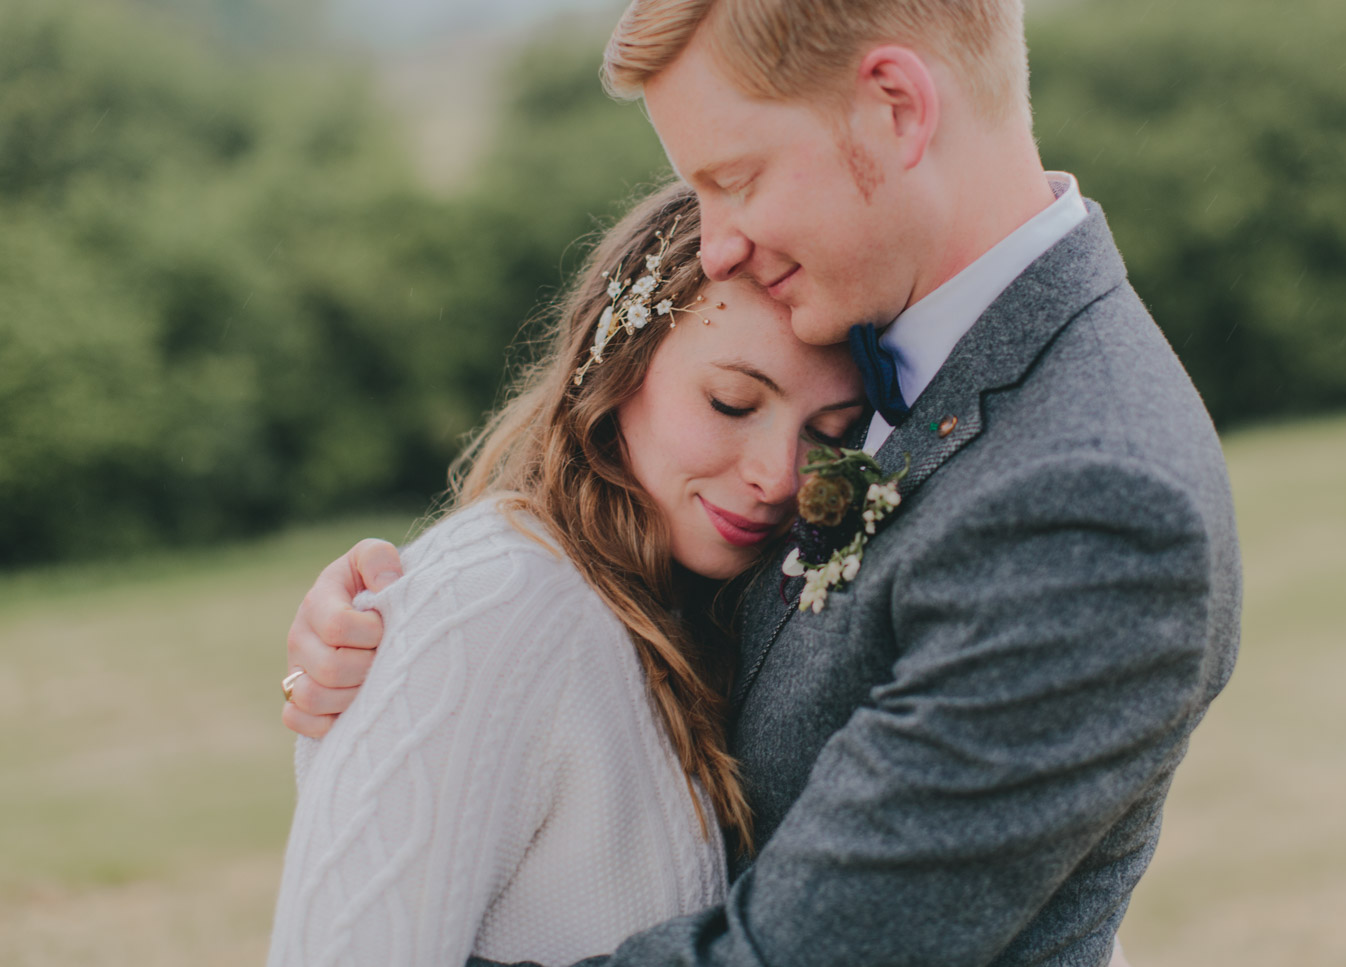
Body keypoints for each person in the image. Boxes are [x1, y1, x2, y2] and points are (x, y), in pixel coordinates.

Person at [284, 1, 1241, 964]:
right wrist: (413, 634)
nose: (716, 245)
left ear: (897, 108)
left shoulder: (1094, 498)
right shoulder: (872, 354)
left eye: (734, 180)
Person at [267, 182, 867, 967]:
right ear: (619, 365)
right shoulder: (497, 599)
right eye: (731, 401)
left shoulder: (711, 604)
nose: (780, 477)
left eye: (831, 433)